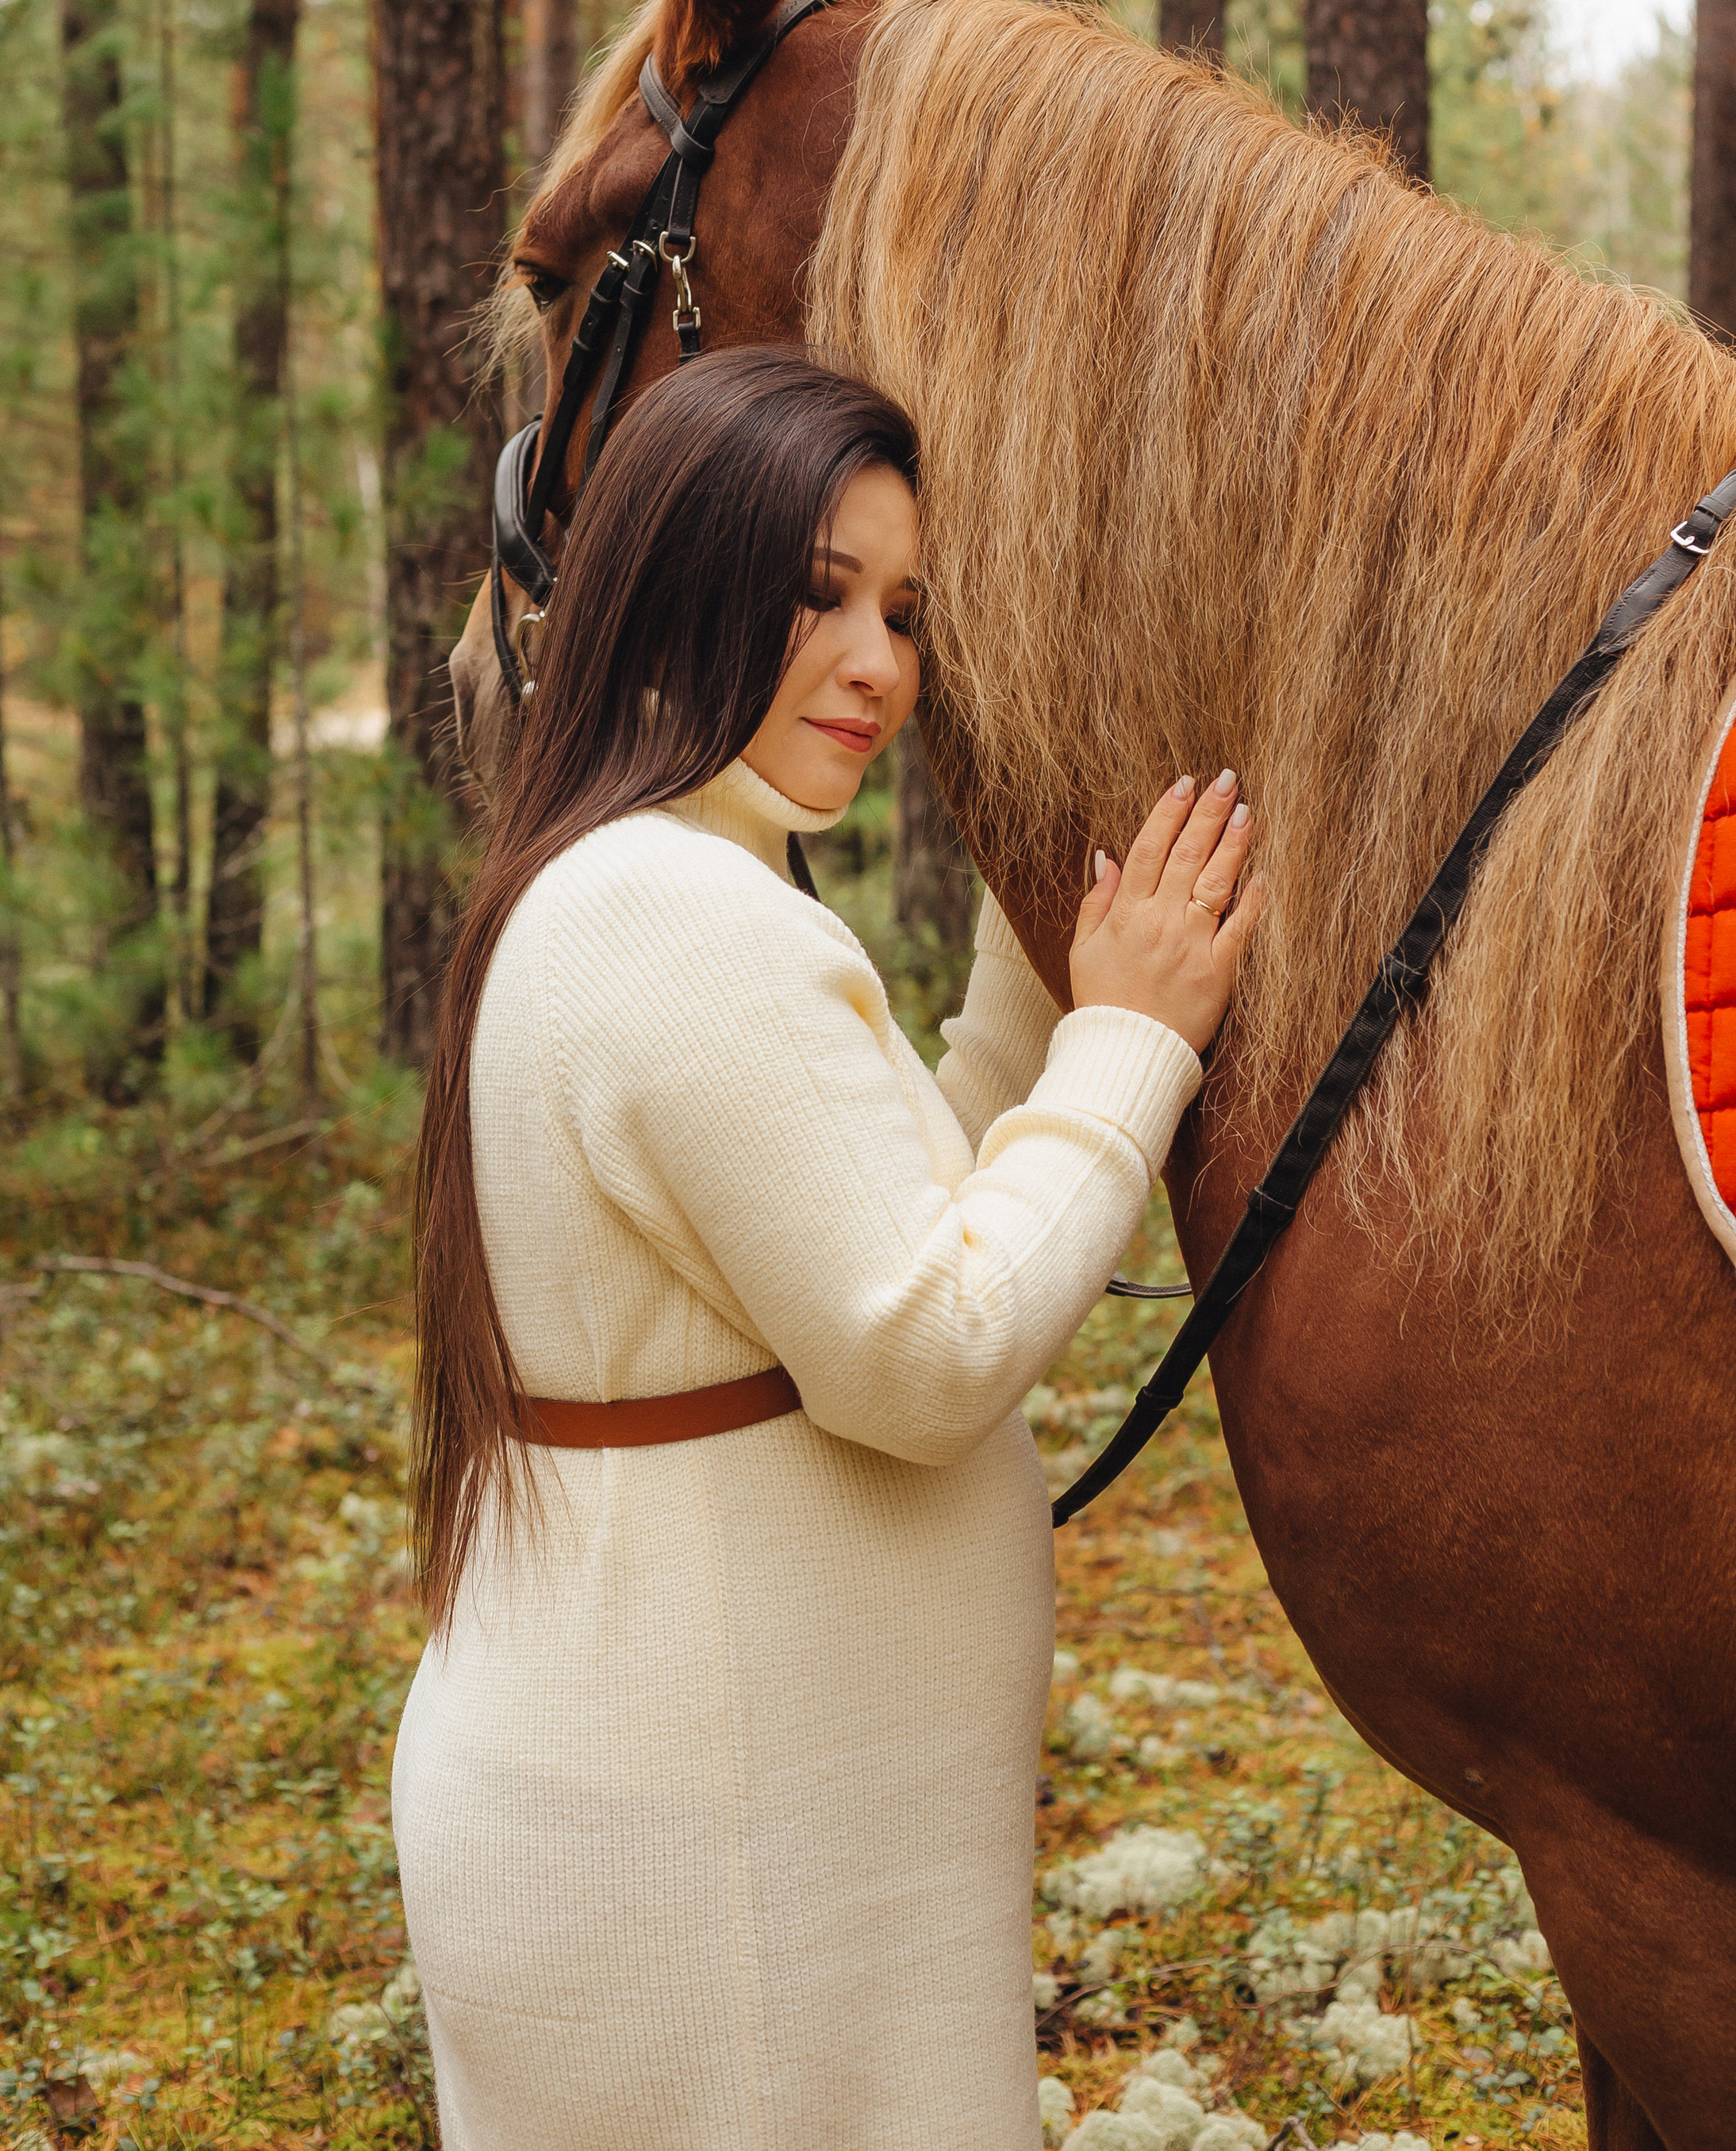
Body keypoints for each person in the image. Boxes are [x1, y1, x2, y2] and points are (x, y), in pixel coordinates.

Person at [392, 348, 1261, 2150]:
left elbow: (879, 1213)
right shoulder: (676, 912)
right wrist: (1139, 1044)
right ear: (676, 582)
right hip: (720, 1881)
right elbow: (923, 1338)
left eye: (903, 610)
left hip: (750, 1854)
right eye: (815, 598)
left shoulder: (650, 877)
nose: (877, 664)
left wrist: (1052, 958)